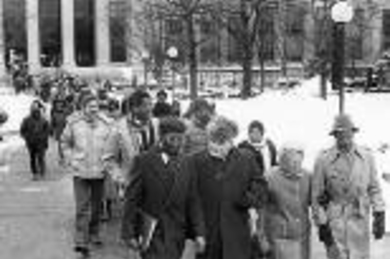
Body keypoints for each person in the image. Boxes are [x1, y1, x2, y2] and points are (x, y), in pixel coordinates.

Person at [121, 117, 206, 259]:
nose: (177, 144)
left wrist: (199, 232)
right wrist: (128, 233)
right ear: (161, 137)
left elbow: (193, 200)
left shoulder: (188, 163)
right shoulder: (143, 161)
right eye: (173, 139)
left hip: (178, 232)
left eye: (181, 139)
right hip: (152, 231)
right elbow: (132, 199)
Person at [187, 116, 267, 259]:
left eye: (223, 141)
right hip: (208, 236)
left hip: (237, 234)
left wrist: (246, 198)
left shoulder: (246, 158)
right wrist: (197, 232)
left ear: (231, 139)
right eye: (215, 140)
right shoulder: (195, 161)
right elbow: (191, 200)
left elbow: (261, 188)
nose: (218, 145)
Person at [312, 114, 386, 259]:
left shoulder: (366, 157)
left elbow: (374, 188)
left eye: (348, 132)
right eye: (340, 133)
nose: (344, 136)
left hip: (359, 218)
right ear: (334, 135)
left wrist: (379, 213)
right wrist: (321, 223)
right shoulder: (323, 159)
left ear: (353, 132)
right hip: (335, 221)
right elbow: (316, 196)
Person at [61, 94, 114, 257]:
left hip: (99, 173)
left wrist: (109, 164)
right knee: (82, 207)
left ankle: (94, 233)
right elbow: (64, 143)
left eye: (96, 106)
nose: (94, 109)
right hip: (81, 173)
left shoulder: (107, 124)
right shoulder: (73, 124)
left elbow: (113, 146)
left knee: (97, 207)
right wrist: (71, 159)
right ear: (83, 107)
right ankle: (81, 242)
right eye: (90, 106)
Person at [262, 143, 311, 259]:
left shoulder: (307, 176)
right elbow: (261, 208)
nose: (296, 166)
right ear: (282, 160)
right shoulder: (270, 176)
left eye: (298, 162)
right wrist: (262, 236)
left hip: (302, 234)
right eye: (292, 162)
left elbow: (313, 200)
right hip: (279, 235)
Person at [20, 100, 50, 180]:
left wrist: (44, 138)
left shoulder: (43, 120)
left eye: (37, 110)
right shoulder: (26, 120)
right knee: (32, 158)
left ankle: (42, 173)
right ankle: (35, 173)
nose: (36, 112)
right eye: (34, 110)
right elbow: (22, 130)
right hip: (31, 143)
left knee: (41, 158)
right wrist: (27, 137)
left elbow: (47, 131)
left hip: (41, 143)